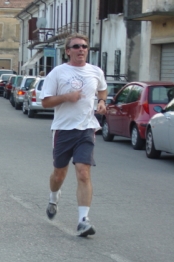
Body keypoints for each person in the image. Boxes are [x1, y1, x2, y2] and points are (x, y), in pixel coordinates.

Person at [40, 33, 107, 237]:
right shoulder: (58, 73)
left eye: (84, 46)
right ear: (67, 51)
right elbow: (45, 102)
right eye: (76, 46)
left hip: (86, 128)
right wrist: (66, 97)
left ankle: (83, 221)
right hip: (63, 129)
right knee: (59, 174)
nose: (81, 49)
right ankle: (53, 197)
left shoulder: (96, 72)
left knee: (83, 172)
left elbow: (102, 91)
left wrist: (102, 102)